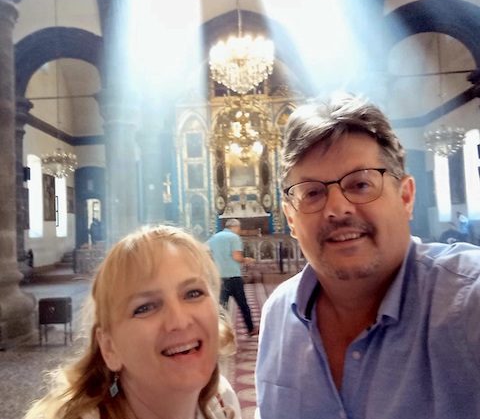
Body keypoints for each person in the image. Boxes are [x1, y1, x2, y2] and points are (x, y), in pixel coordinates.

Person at [255, 92, 480, 419]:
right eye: (313, 192)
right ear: (291, 218)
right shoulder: (278, 313)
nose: (337, 208)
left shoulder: (468, 303)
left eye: (360, 184)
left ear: (405, 197)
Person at [25, 225, 241, 419]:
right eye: (145, 307)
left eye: (193, 293)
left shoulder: (221, 401)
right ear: (109, 347)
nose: (180, 321)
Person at [207, 218, 259, 337]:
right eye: (239, 228)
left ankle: (220, 332)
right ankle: (251, 329)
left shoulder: (214, 237)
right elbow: (236, 257)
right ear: (235, 227)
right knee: (243, 304)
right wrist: (246, 260)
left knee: (222, 306)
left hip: (220, 277)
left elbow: (205, 250)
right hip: (233, 276)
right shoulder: (234, 237)